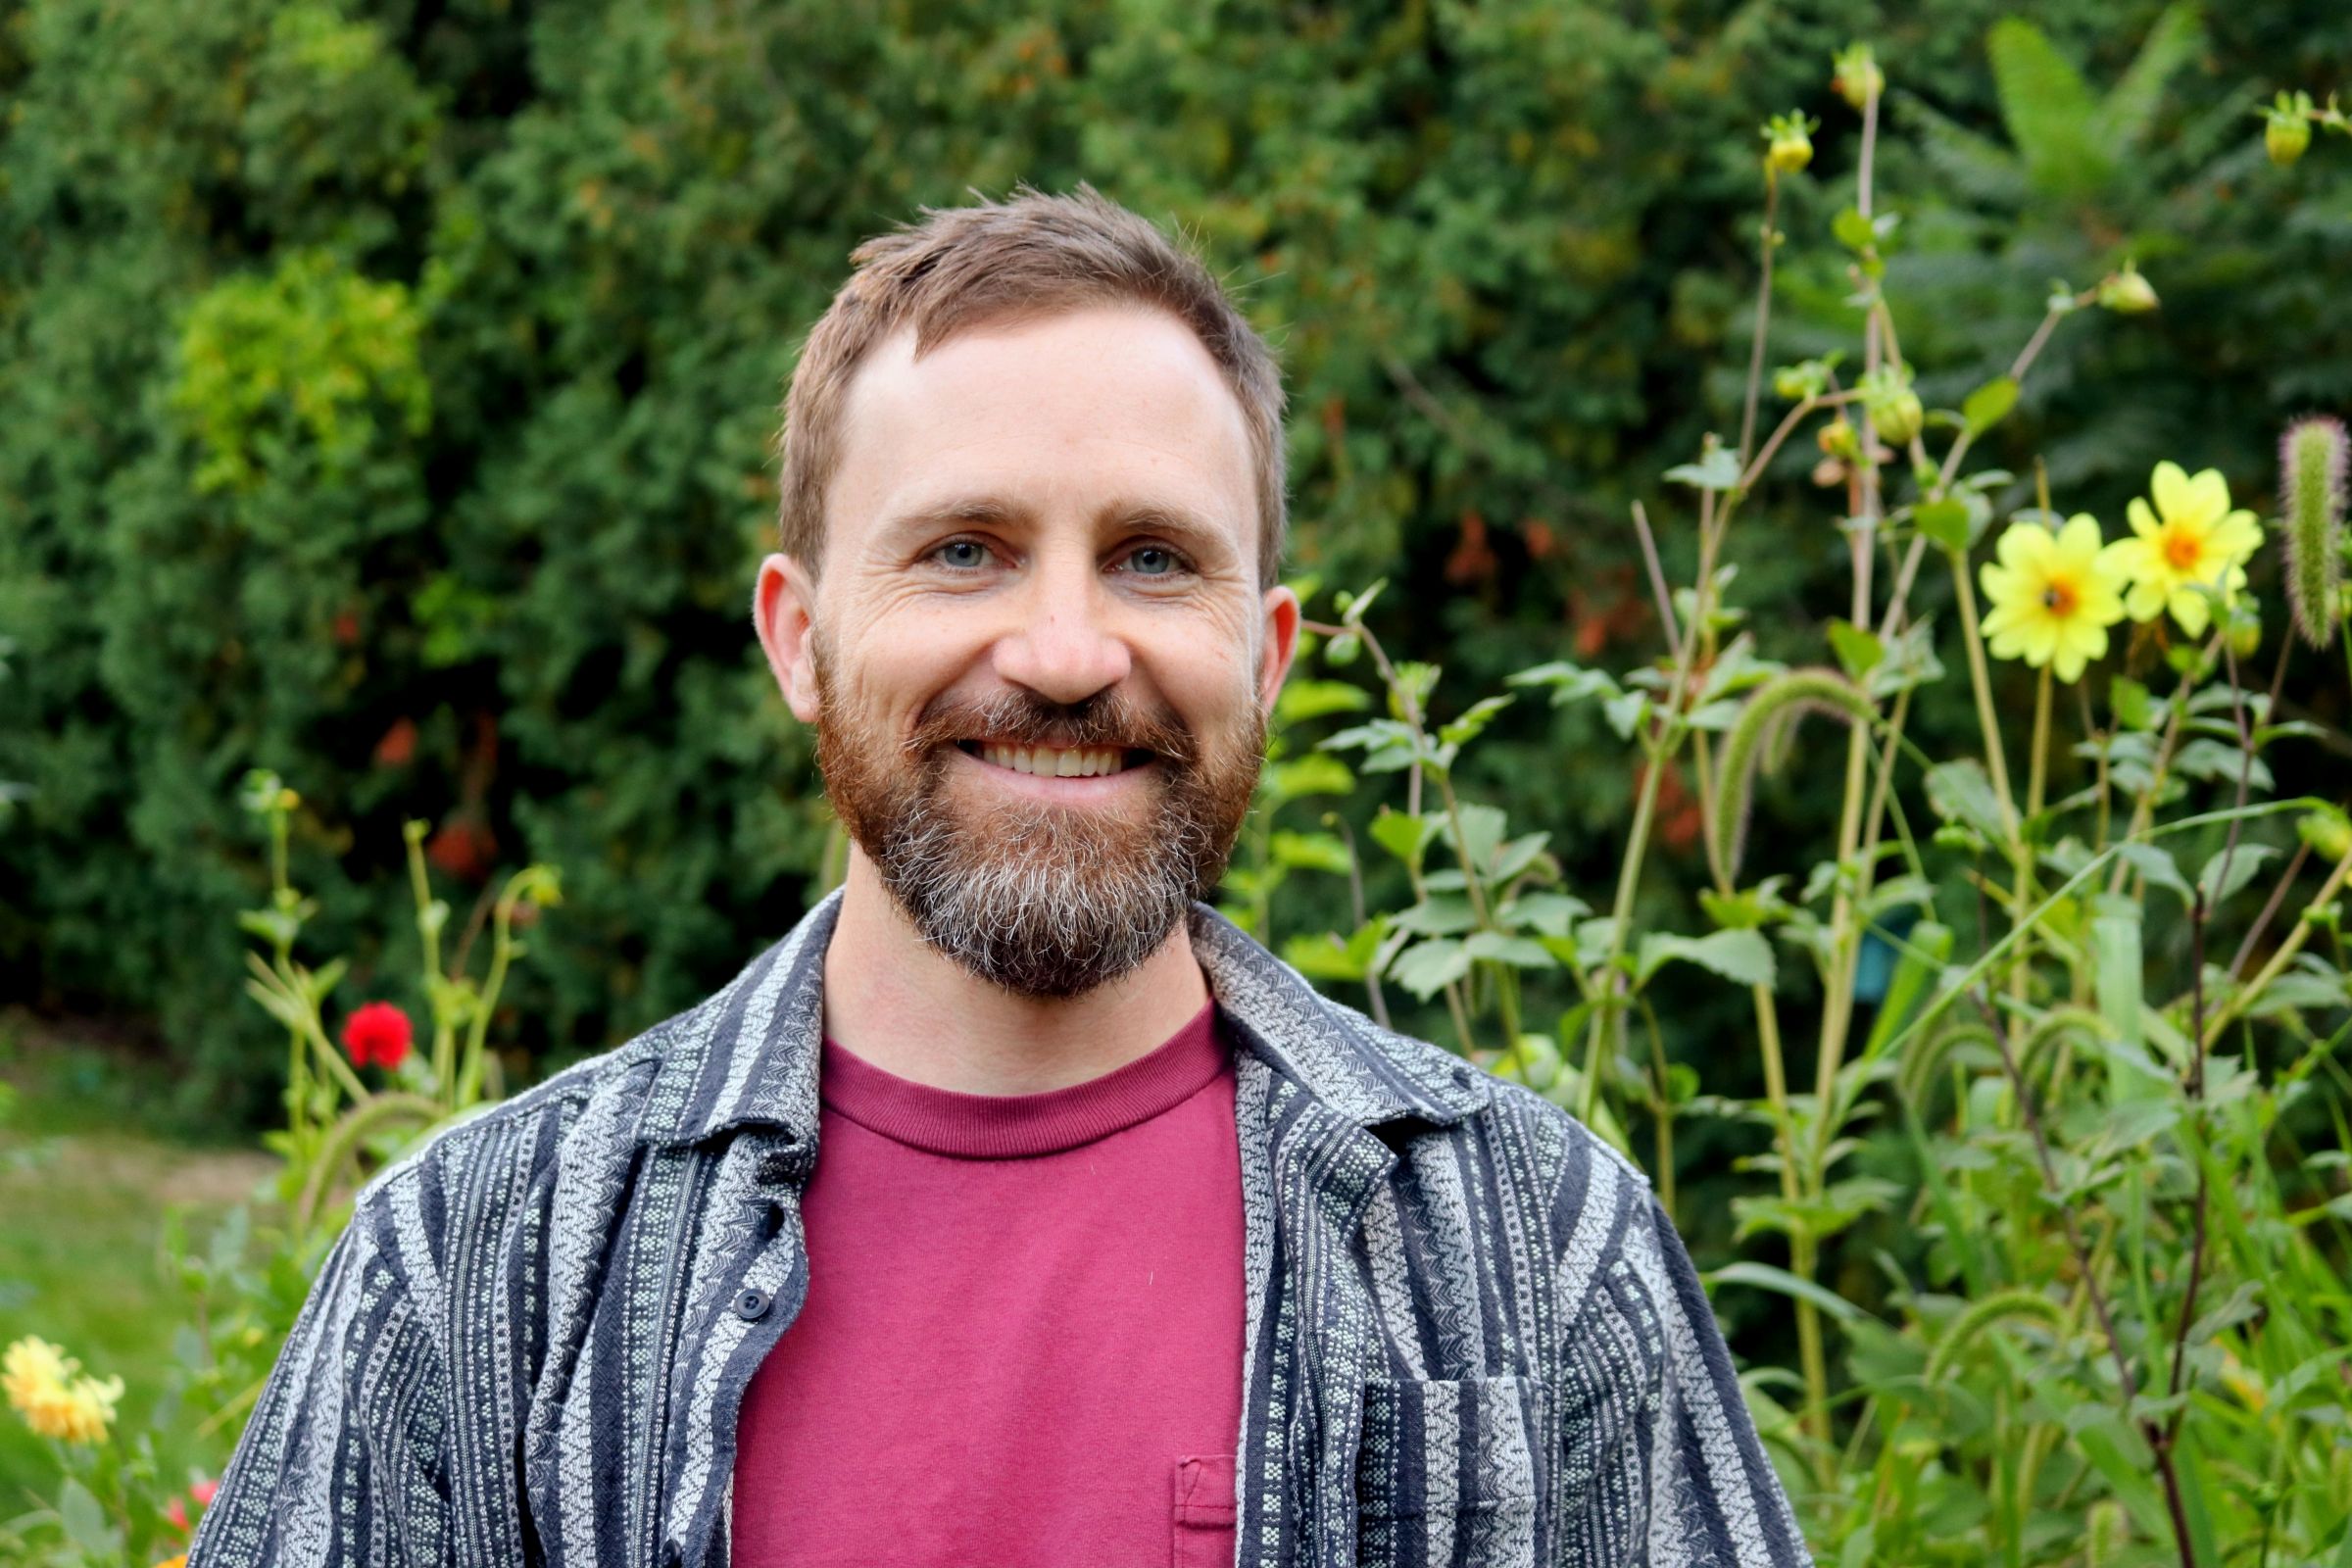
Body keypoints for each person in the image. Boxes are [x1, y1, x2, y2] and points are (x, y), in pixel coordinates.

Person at [188, 183, 1810, 1568]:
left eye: (1153, 559)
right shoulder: (482, 1272)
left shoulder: (1535, 1255)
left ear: (1266, 656)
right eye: (962, 548)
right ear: (801, 640)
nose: (1061, 652)